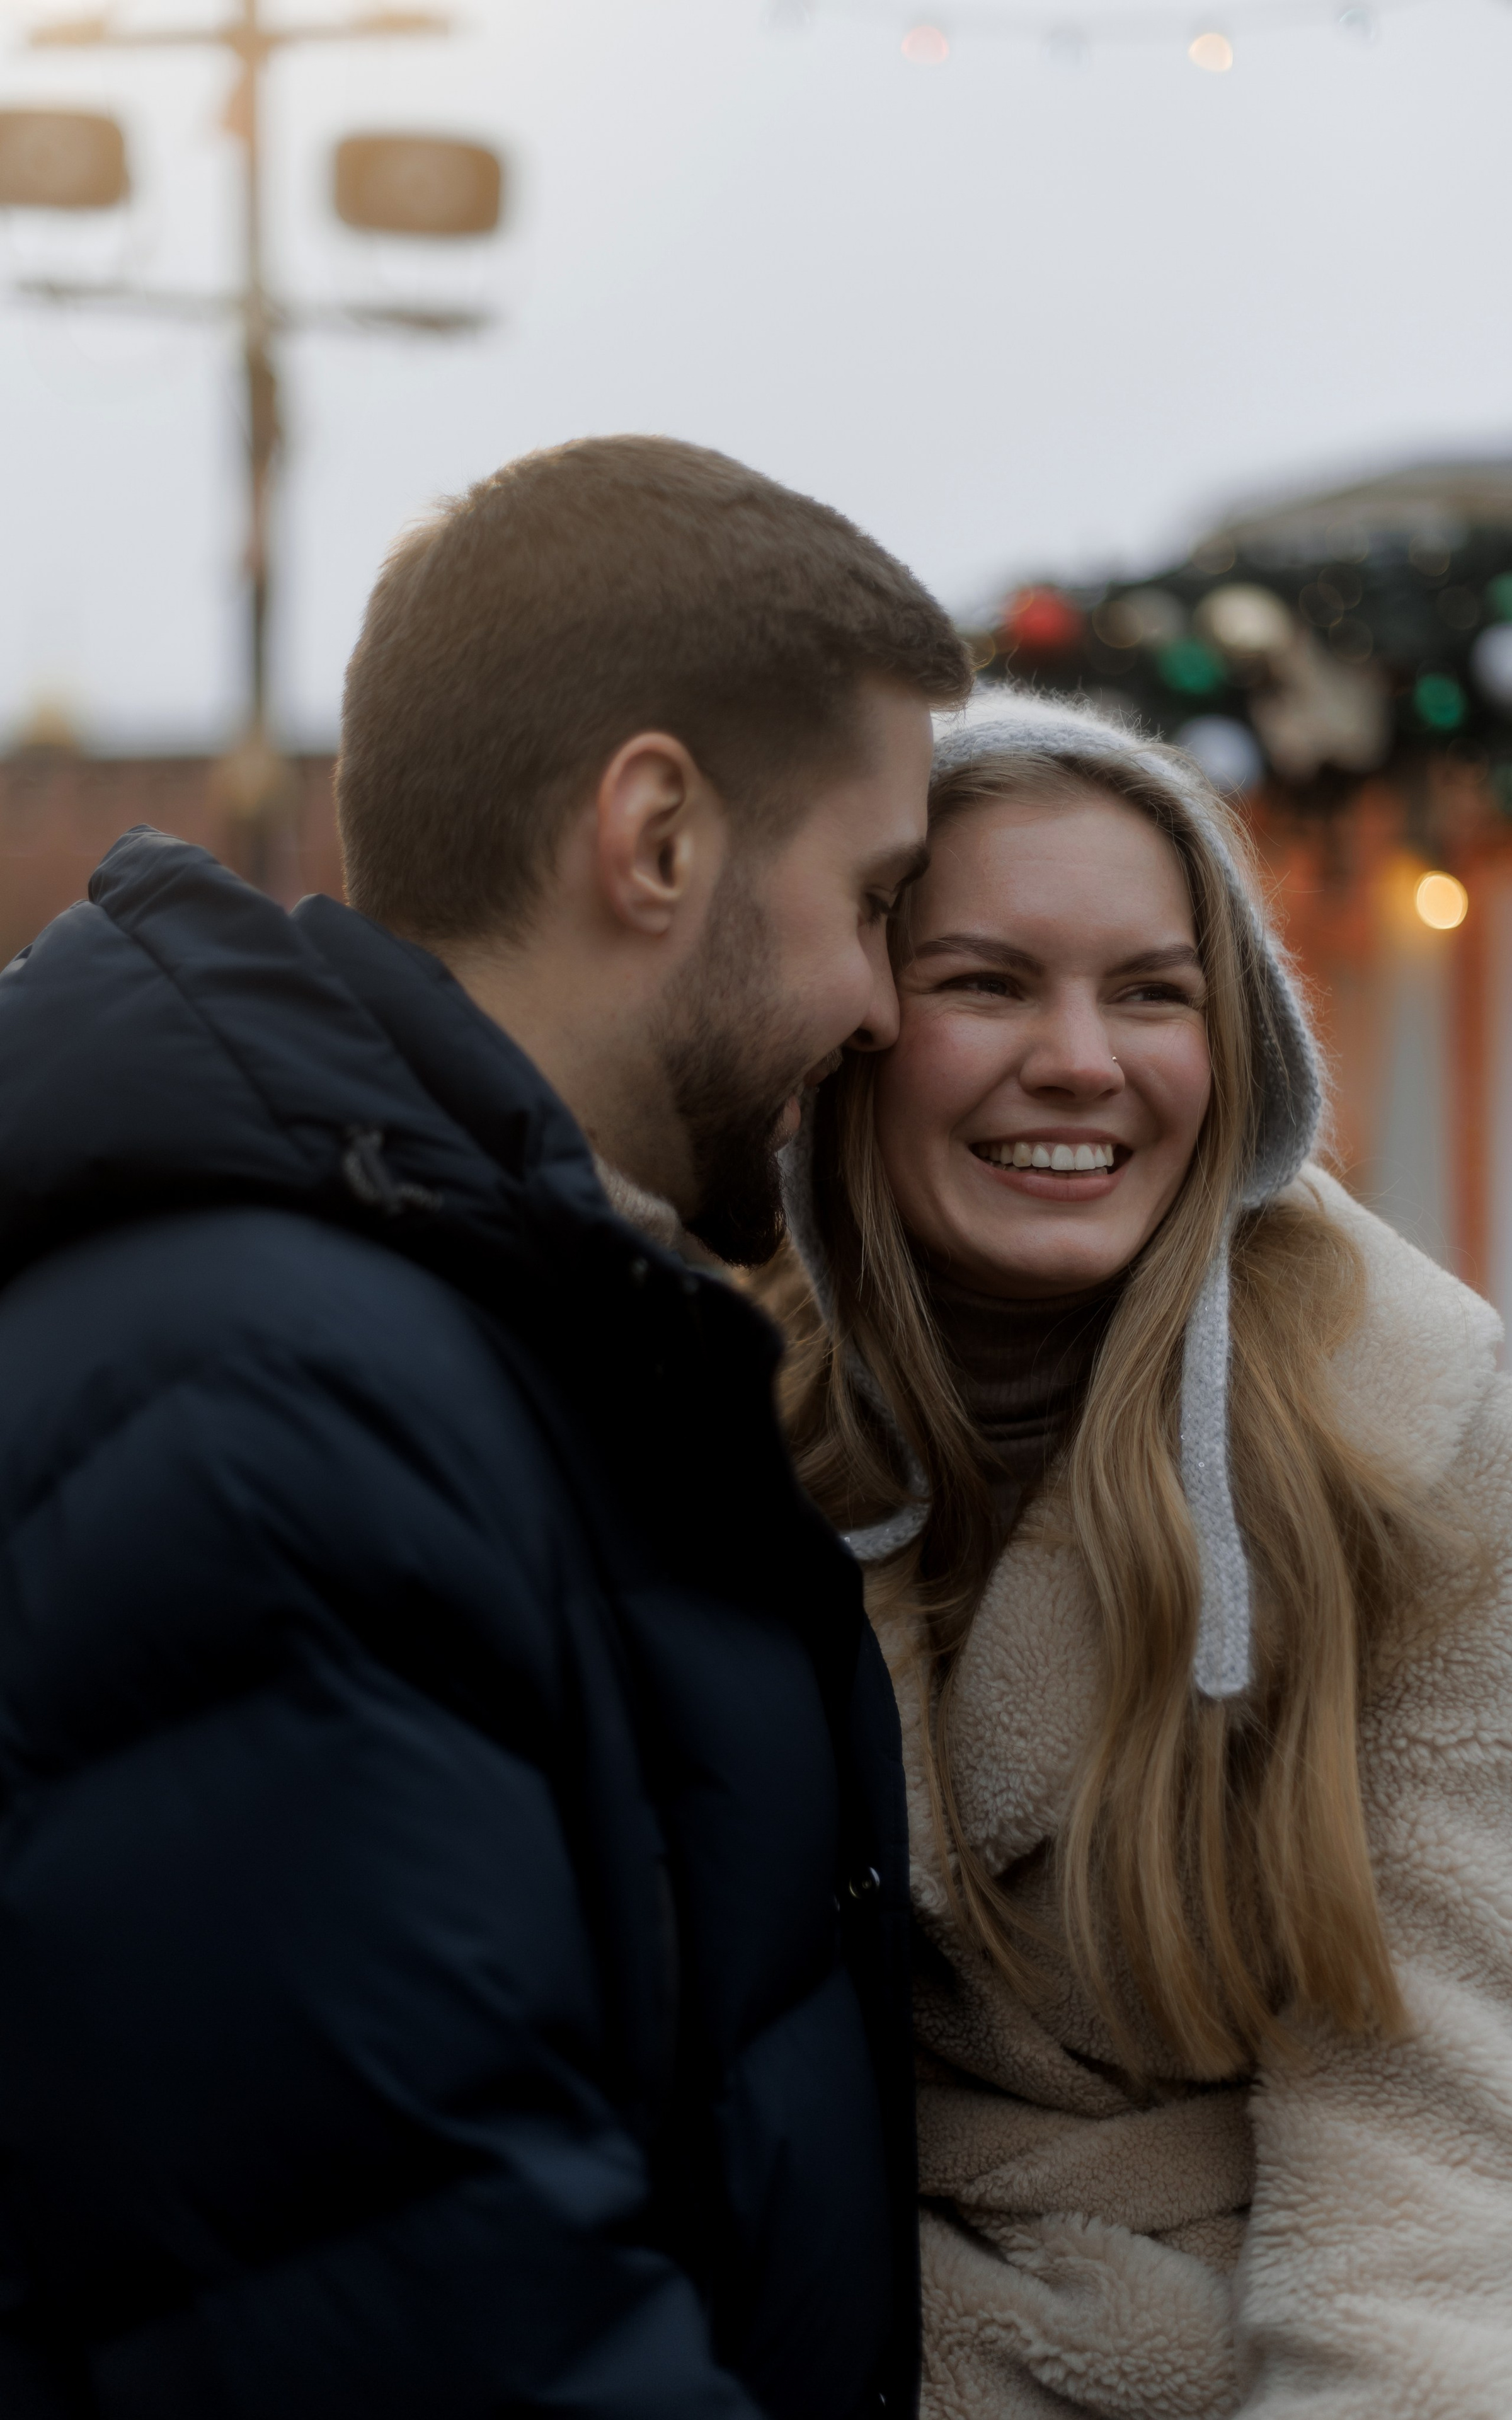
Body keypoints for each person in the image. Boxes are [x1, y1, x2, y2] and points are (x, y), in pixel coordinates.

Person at [0, 435, 973, 2417]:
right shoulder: (275, 1407)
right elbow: (431, 2318)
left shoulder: (493, 1340)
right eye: (874, 901)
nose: (886, 1007)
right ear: (657, 838)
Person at [762, 688, 1512, 2417]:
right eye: (987, 981)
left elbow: (1451, 2174)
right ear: (853, 1024)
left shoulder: (1405, 1443)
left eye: (1154, 992)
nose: (1082, 1059)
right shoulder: (705, 1416)